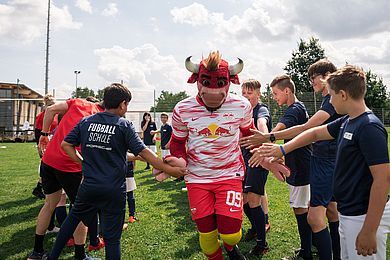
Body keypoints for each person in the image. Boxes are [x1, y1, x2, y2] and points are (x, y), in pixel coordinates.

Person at [256, 65, 390, 259]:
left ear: (343, 95)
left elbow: (383, 180)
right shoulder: (347, 121)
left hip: (363, 216)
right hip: (349, 212)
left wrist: (369, 230)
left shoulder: (369, 127)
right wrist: (281, 148)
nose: (329, 100)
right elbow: (316, 132)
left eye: (332, 95)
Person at [169, 51, 289, 260]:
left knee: (232, 234)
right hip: (197, 178)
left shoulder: (241, 106)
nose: (213, 91)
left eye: (220, 83)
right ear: (197, 80)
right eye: (207, 82)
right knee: (206, 237)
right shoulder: (182, 109)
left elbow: (250, 137)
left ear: (229, 82)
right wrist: (176, 160)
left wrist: (268, 160)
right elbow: (177, 143)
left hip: (229, 175)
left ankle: (231, 248)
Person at [44, 83, 186, 260]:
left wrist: (83, 163)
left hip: (89, 186)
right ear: (123, 104)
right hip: (113, 190)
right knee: (112, 239)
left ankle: (52, 257)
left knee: (70, 223)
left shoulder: (86, 121)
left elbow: (65, 144)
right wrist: (169, 169)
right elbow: (142, 151)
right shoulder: (123, 125)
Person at [241, 59, 341, 260]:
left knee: (307, 211)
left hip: (312, 165)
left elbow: (303, 129)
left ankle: (309, 251)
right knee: (329, 210)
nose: (311, 83)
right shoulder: (312, 104)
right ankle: (326, 250)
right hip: (315, 162)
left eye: (313, 79)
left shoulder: (311, 105)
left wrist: (267, 138)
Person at [28, 97, 104, 260]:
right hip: (71, 165)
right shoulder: (105, 119)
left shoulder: (78, 102)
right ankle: (79, 255)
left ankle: (37, 252)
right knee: (80, 208)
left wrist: (44, 134)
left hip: (49, 160)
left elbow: (50, 109)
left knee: (49, 205)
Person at [269, 75, 313, 260]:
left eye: (275, 93)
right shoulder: (297, 107)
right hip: (300, 164)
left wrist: (264, 137)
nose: (274, 97)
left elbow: (277, 131)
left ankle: (306, 253)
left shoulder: (294, 109)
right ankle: (311, 246)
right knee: (305, 207)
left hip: (301, 167)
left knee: (300, 208)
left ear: (287, 91)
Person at [240, 79, 271, 257]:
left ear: (258, 94)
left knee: (253, 199)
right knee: (243, 200)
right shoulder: (242, 112)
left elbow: (262, 124)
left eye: (249, 93)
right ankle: (256, 227)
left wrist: (263, 136)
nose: (246, 96)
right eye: (243, 93)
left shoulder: (261, 110)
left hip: (258, 160)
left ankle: (262, 243)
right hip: (244, 161)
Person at [32, 95, 58, 199]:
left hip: (53, 143)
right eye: (51, 105)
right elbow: (38, 133)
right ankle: (40, 188)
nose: (53, 107)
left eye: (54, 104)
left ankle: (40, 187)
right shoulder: (41, 116)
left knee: (50, 167)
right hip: (45, 144)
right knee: (47, 167)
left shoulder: (56, 115)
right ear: (46, 106)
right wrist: (40, 147)